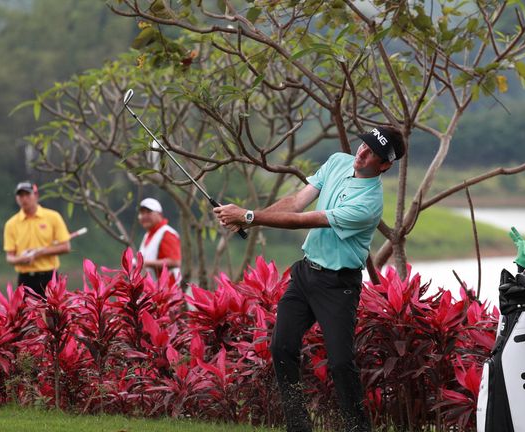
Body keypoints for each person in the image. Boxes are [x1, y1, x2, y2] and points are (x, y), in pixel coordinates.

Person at [214, 126, 406, 432]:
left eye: (372, 153)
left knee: (341, 363)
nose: (362, 152)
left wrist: (248, 216)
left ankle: (357, 428)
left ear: (384, 165)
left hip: (338, 286)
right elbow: (295, 204)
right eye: (364, 144)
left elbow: (303, 220)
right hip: (306, 273)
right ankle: (298, 426)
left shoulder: (368, 205)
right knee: (282, 347)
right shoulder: (338, 162)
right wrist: (250, 217)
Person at [3, 181, 71, 298]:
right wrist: (21, 259)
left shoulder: (53, 217)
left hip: (49, 277)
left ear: (36, 195)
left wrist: (40, 252)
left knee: (53, 315)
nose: (24, 199)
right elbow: (9, 258)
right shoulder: (11, 224)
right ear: (16, 198)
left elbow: (66, 247)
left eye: (27, 195)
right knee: (28, 315)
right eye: (21, 195)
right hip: (25, 278)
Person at [137, 197, 181, 282]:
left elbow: (175, 262)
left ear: (159, 214)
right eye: (142, 213)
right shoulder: (147, 235)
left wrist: (146, 263)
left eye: (149, 212)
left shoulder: (167, 233)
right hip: (154, 290)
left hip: (169, 289)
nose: (144, 216)